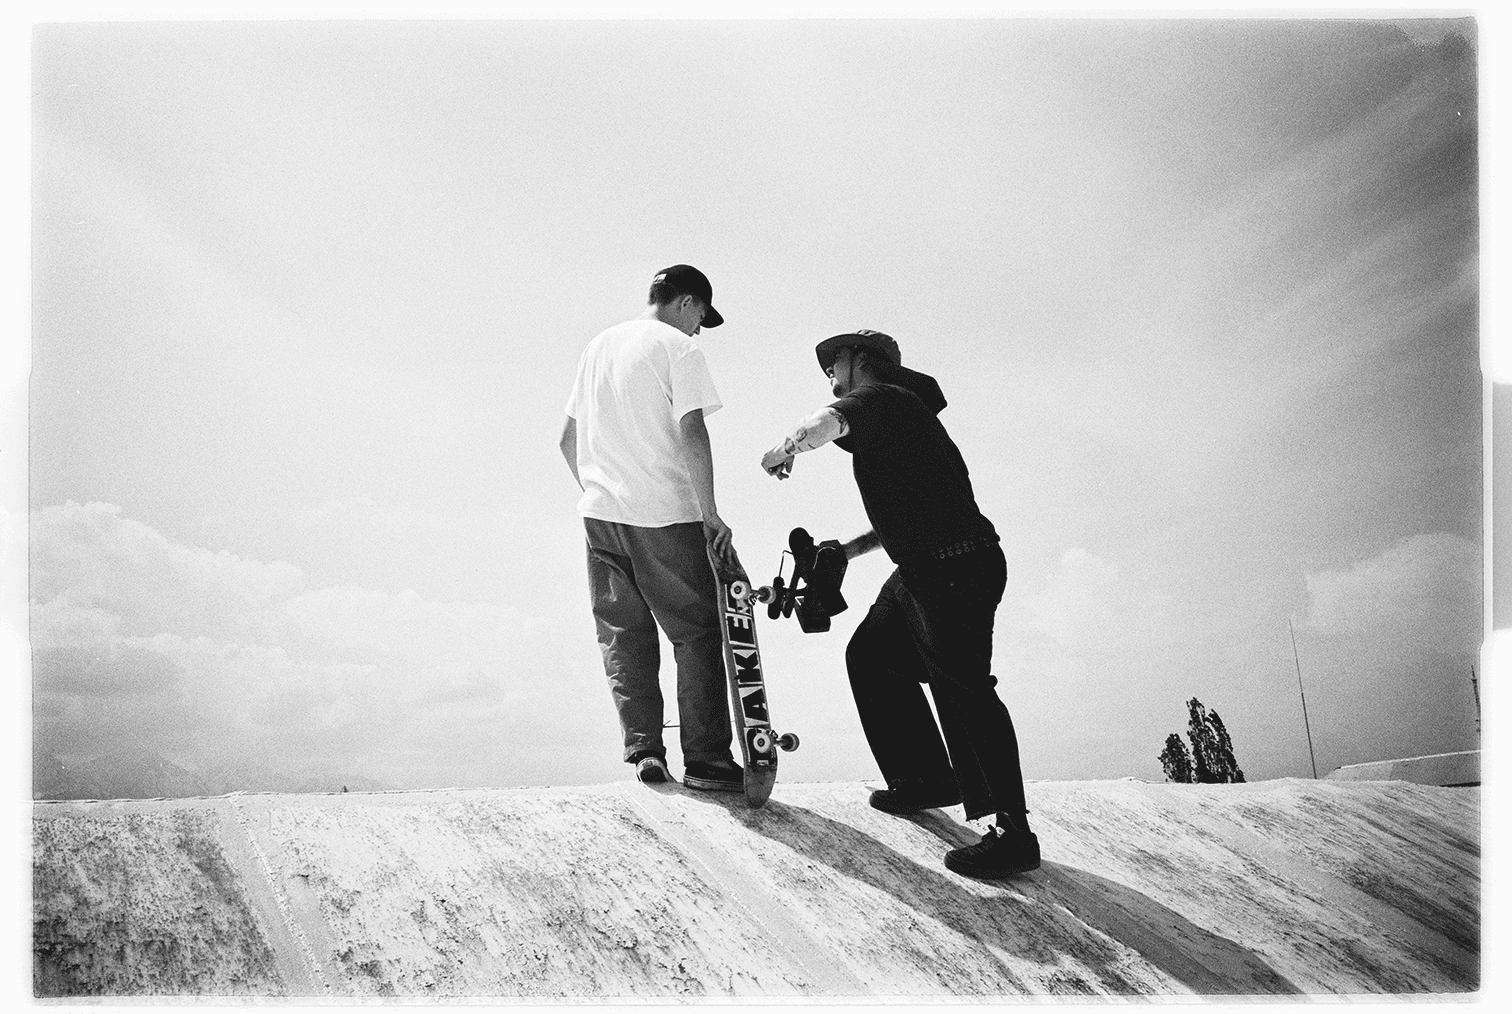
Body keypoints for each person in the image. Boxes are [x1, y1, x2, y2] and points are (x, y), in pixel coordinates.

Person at [759, 330, 1039, 879]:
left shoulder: (883, 398)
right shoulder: (899, 422)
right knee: (871, 656)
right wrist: (844, 551)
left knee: (965, 688)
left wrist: (781, 452)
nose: (828, 370)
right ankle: (927, 778)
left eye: (835, 360)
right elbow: (904, 520)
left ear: (864, 361)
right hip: (921, 569)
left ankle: (1014, 833)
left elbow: (823, 424)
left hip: (956, 566)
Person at [561, 265, 744, 792]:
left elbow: (567, 440)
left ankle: (644, 749)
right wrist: (711, 513)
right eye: (702, 317)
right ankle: (706, 760)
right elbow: (692, 430)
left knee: (624, 634)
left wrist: (601, 490)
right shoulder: (678, 348)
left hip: (601, 517)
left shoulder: (597, 347)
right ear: (686, 303)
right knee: (696, 632)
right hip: (666, 516)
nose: (700, 329)